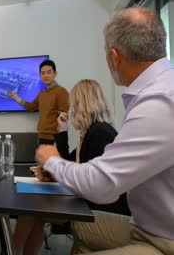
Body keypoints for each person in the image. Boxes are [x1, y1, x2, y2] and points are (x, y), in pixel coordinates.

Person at [36, 7, 174, 254]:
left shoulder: (159, 102)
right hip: (146, 226)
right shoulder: (158, 93)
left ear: (114, 56)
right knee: (80, 229)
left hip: (164, 241)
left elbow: (101, 184)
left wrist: (52, 160)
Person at [13, 79, 129, 255]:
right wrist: (62, 132)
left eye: (72, 104)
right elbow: (68, 162)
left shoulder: (100, 134)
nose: (70, 109)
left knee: (30, 210)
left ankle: (10, 252)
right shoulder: (92, 132)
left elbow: (90, 181)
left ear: (81, 105)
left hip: (96, 211)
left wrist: (57, 174)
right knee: (33, 210)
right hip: (88, 204)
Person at [9, 60, 70, 145]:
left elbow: (64, 116)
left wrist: (58, 141)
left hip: (55, 138)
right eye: (43, 73)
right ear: (40, 76)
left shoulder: (61, 91)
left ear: (55, 74)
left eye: (49, 72)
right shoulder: (42, 93)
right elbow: (32, 107)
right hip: (41, 136)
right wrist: (16, 97)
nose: (46, 75)